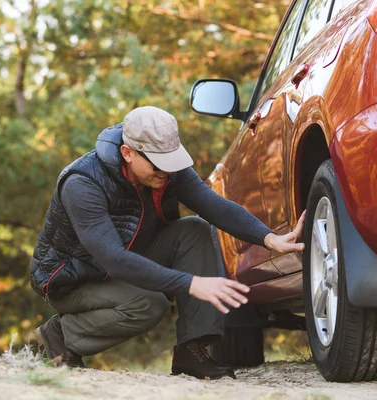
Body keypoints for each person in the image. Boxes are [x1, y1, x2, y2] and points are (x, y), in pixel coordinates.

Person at [30, 106, 305, 380]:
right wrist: (191, 283)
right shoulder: (83, 182)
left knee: (194, 230)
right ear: (128, 153)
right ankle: (58, 337)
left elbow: (212, 205)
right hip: (75, 278)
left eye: (170, 161)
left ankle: (192, 351)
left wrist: (269, 238)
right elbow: (112, 258)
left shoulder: (166, 170)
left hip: (129, 257)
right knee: (148, 304)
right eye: (157, 163)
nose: (166, 172)